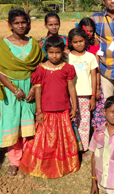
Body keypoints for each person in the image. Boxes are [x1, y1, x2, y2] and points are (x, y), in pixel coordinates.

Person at [0, 9, 44, 176]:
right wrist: (14, 90)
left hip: (30, 88)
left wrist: (34, 88)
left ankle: (28, 157)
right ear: (10, 25)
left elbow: (39, 68)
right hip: (11, 90)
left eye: (23, 22)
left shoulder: (34, 44)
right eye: (16, 23)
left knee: (29, 123)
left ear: (28, 23)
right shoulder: (3, 45)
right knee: (13, 123)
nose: (20, 26)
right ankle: (14, 160)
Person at [19, 36, 80, 178]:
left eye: (58, 52)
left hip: (63, 110)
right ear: (46, 51)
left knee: (62, 140)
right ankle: (44, 165)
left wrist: (74, 107)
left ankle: (64, 165)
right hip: (46, 111)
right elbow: (38, 90)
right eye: (51, 52)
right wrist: (38, 110)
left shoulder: (67, 68)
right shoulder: (41, 69)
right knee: (44, 140)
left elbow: (71, 88)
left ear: (62, 52)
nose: (54, 56)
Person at [68, 27, 97, 153]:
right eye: (75, 42)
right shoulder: (67, 57)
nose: (78, 44)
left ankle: (84, 147)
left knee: (84, 123)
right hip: (70, 95)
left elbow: (94, 77)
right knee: (72, 121)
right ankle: (72, 145)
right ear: (70, 43)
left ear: (85, 40)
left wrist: (93, 96)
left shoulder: (90, 57)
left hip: (86, 95)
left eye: (81, 41)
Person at [78, 17, 106, 129]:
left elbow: (97, 67)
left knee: (97, 110)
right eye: (86, 30)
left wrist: (98, 88)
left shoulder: (95, 43)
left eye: (91, 31)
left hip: (93, 81)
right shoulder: (77, 43)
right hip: (80, 82)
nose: (89, 33)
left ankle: (96, 136)